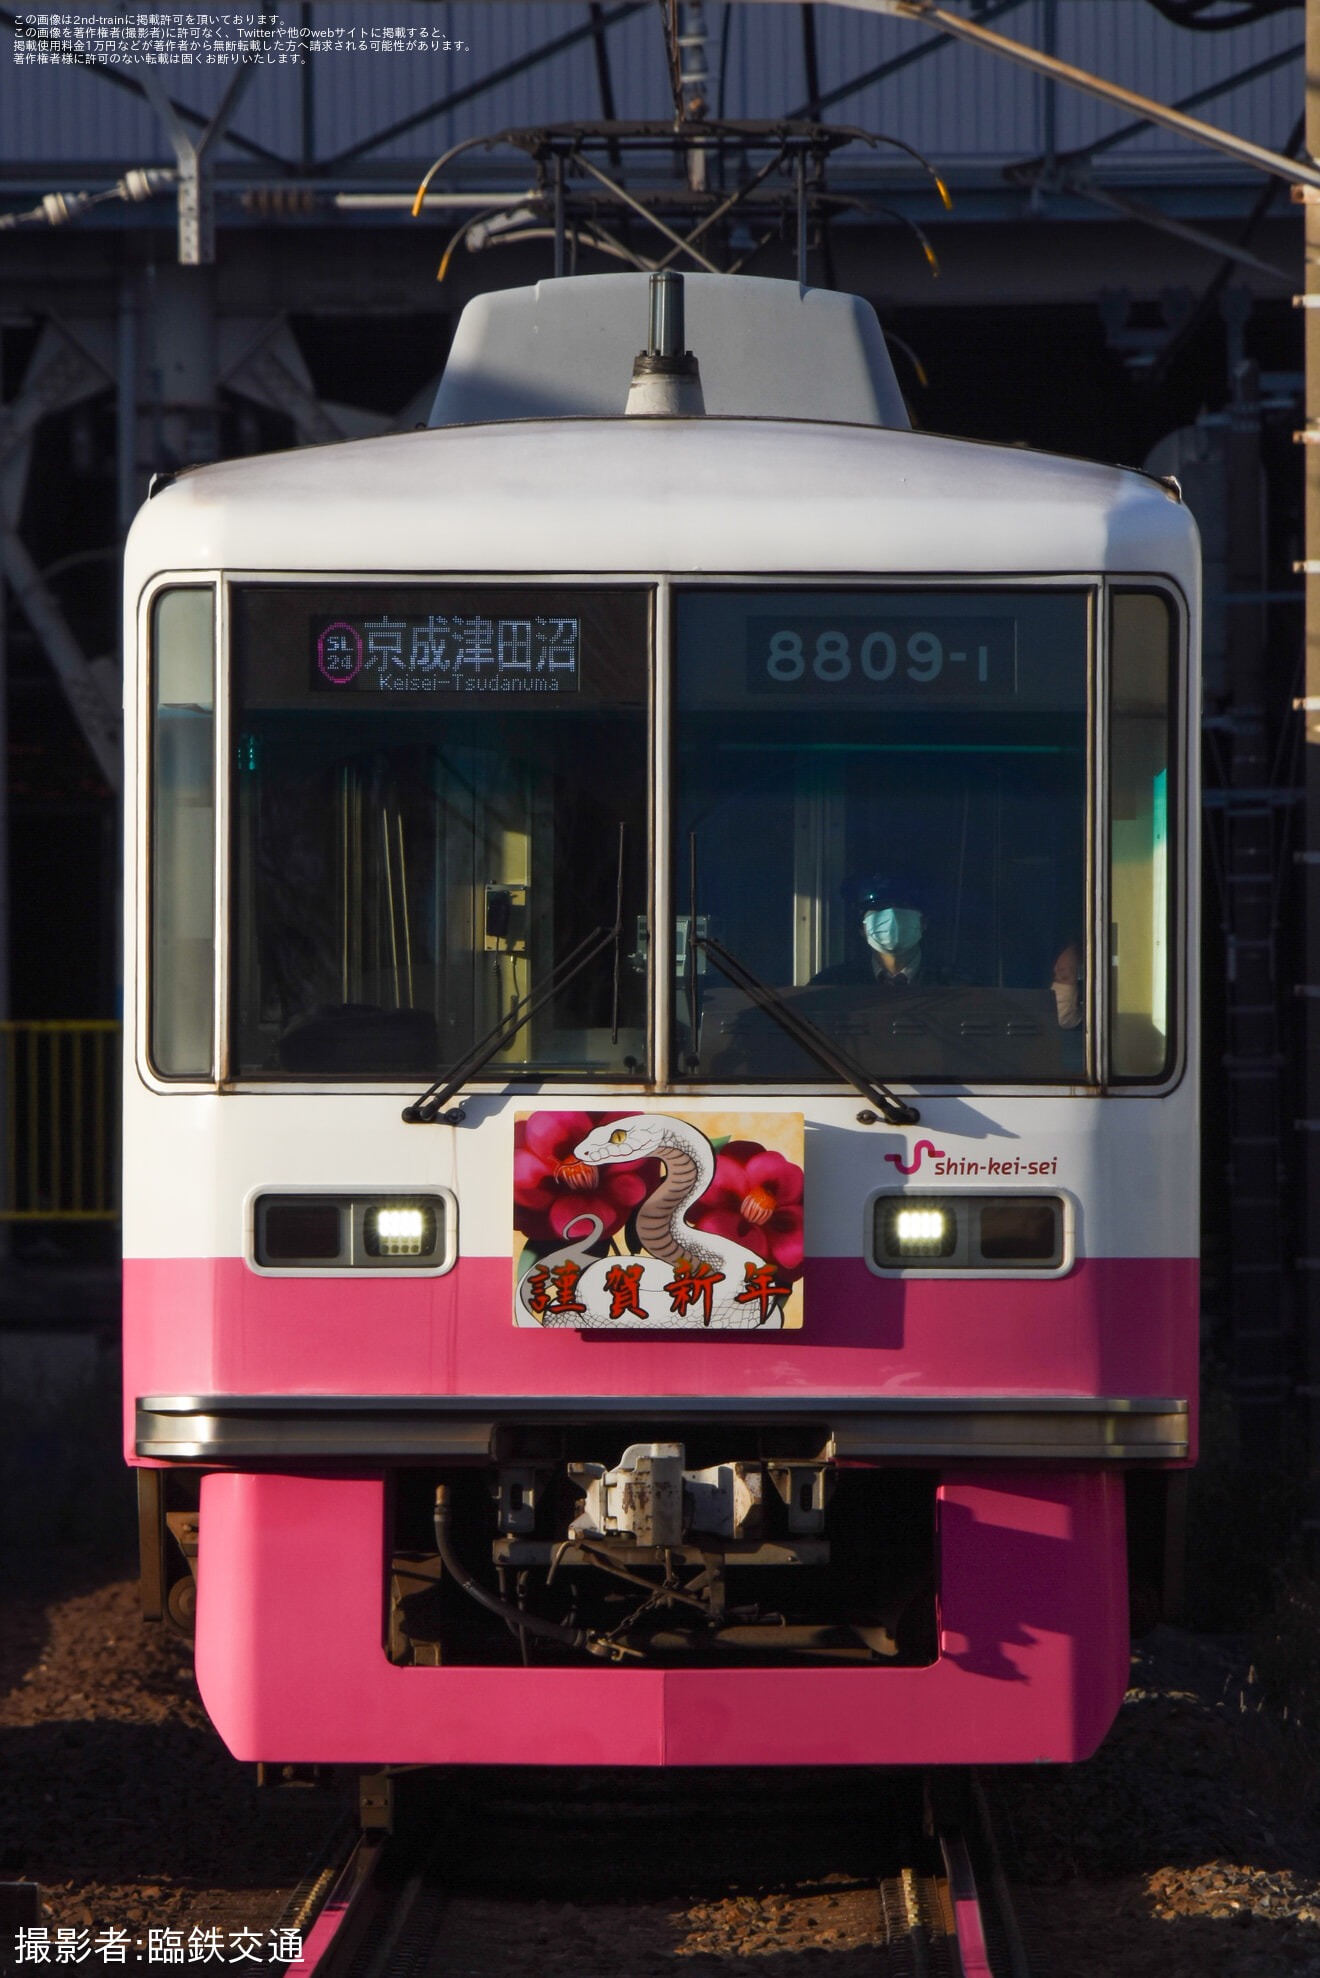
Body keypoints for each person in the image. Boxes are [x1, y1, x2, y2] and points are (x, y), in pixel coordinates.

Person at [810, 875, 928, 989]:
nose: (892, 917)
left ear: (924, 922)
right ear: (862, 927)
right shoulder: (830, 984)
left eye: (902, 906)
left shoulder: (945, 983)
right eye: (879, 908)